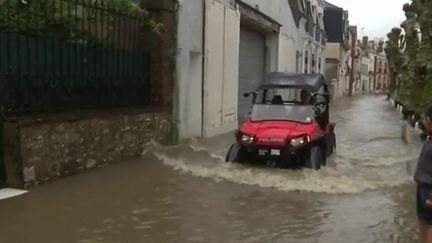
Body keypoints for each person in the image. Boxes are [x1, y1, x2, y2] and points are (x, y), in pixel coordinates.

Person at [415, 105, 432, 243]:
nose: (423, 122)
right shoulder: (429, 138)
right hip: (422, 186)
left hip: (429, 190)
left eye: (425, 119)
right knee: (422, 220)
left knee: (429, 224)